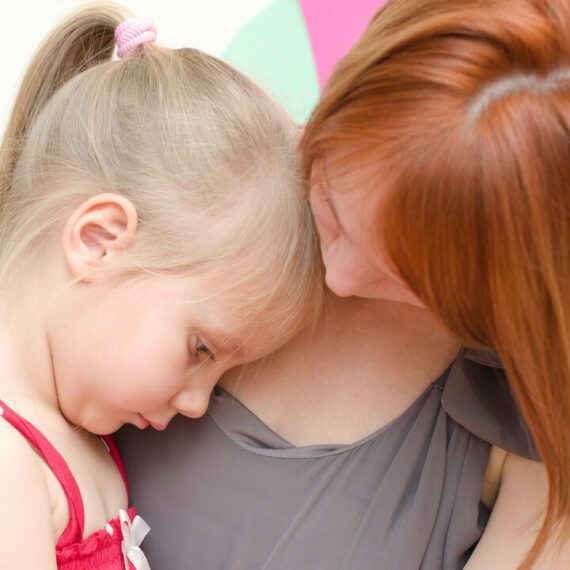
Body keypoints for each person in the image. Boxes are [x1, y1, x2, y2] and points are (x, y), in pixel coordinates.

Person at [118, 0, 570, 569]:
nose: (340, 278)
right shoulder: (193, 167)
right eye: (331, 201)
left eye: (417, 281)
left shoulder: (530, 427)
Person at [0, 3, 322, 569]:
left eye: (218, 376)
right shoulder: (10, 461)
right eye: (201, 348)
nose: (198, 405)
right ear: (98, 240)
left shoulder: (76, 428)